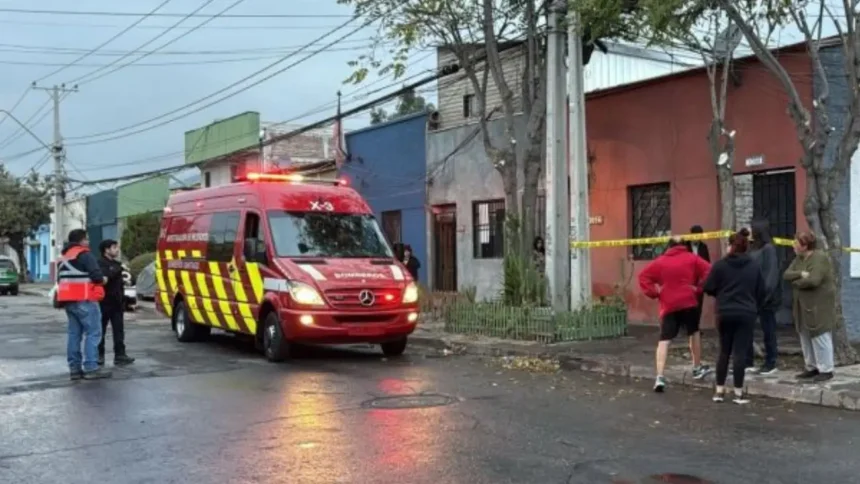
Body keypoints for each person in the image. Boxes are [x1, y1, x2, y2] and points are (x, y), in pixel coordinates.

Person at [639, 235, 712, 392]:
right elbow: (709, 270)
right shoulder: (692, 258)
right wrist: (699, 288)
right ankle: (697, 367)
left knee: (664, 339)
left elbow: (643, 277)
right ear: (684, 245)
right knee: (694, 333)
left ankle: (659, 377)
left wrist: (655, 291)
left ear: (669, 246)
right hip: (688, 301)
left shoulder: (660, 261)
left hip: (669, 304)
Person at [703, 228, 766, 404]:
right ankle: (738, 393)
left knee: (724, 351)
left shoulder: (720, 265)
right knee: (740, 353)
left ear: (730, 246)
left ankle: (719, 391)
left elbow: (707, 287)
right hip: (746, 312)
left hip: (724, 311)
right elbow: (762, 290)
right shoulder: (754, 266)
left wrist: (721, 294)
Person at [57, 229, 111, 380]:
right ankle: (91, 367)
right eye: (86, 239)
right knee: (93, 333)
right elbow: (97, 276)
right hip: (85, 299)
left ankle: (74, 369)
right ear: (81, 241)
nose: (88, 242)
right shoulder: (85, 255)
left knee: (74, 334)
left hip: (68, 301)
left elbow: (59, 280)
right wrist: (104, 280)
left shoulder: (63, 258)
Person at [784, 231, 836, 382]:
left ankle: (826, 369)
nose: (793, 245)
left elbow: (814, 280)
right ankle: (811, 366)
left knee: (820, 335)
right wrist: (801, 273)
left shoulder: (819, 258)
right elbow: (787, 274)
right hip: (802, 305)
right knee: (805, 335)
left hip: (818, 305)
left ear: (805, 245)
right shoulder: (799, 259)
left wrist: (796, 283)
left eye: (796, 243)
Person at [747, 218, 781, 374]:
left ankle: (771, 361)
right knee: (747, 329)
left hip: (766, 298)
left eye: (752, 229)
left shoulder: (769, 249)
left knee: (768, 330)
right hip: (752, 296)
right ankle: (748, 361)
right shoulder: (753, 248)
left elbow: (771, 275)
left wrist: (764, 294)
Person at [97, 239, 135, 367]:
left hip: (117, 302)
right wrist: (119, 269)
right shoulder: (100, 263)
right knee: (100, 330)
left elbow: (119, 282)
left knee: (119, 330)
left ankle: (120, 355)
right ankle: (99, 355)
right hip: (104, 302)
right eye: (114, 247)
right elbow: (106, 278)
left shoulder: (118, 264)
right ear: (106, 250)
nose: (117, 250)